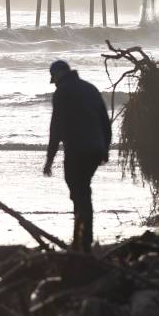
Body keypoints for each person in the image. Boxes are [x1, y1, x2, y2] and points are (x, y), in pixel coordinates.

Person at [44, 60, 111, 253]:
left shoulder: (62, 92)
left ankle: (82, 241)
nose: (54, 82)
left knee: (78, 191)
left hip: (77, 149)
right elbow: (105, 122)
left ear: (57, 74)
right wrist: (104, 148)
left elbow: (56, 127)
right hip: (95, 148)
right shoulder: (90, 88)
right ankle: (82, 238)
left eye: (54, 78)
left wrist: (49, 159)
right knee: (83, 189)